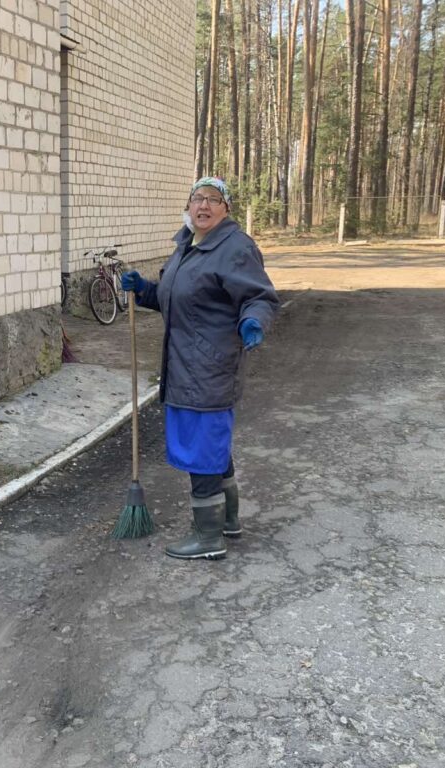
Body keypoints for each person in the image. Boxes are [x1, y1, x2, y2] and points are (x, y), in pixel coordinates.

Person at [121, 177, 278, 561]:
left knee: (201, 448)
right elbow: (178, 299)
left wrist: (253, 321)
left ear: (226, 208)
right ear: (188, 206)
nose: (203, 205)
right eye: (197, 198)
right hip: (184, 364)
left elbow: (259, 296)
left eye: (213, 199)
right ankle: (228, 521)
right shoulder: (188, 245)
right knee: (212, 445)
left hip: (209, 367)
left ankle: (208, 538)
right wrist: (144, 290)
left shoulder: (235, 248)